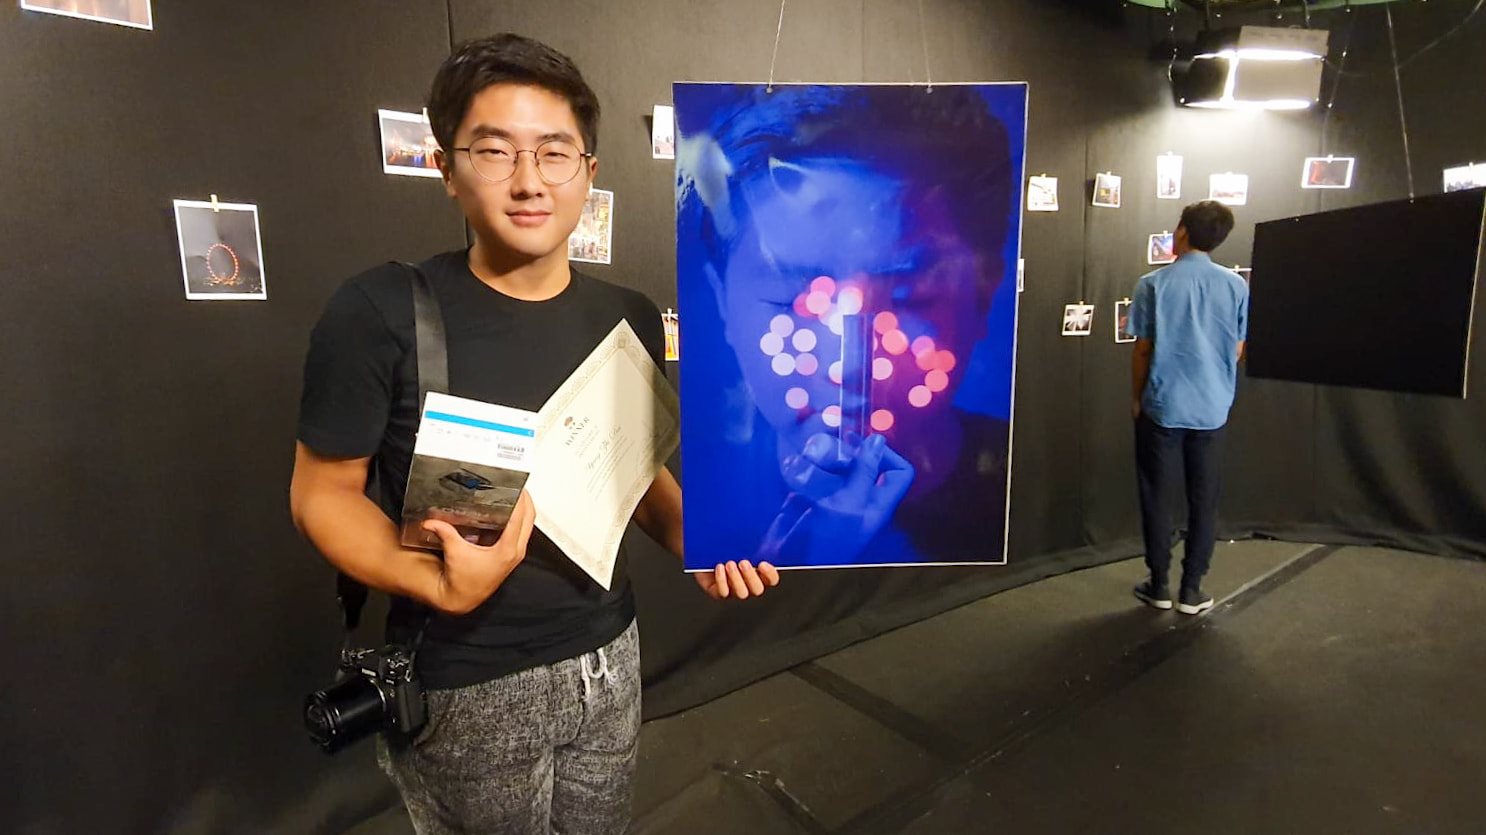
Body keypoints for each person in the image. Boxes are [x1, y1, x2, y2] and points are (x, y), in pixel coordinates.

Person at [289, 34, 779, 835]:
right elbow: (321, 494)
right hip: (467, 681)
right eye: (494, 150)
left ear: (589, 169)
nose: (528, 181)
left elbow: (633, 470)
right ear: (447, 169)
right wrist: (436, 585)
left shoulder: (628, 313)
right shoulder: (380, 311)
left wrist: (702, 536)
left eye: (555, 153)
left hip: (608, 658)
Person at [674, 84, 1021, 568]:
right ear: (721, 301)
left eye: (910, 297)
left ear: (983, 295)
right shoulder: (690, 498)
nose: (852, 365)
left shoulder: (1025, 486)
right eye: (792, 300)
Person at [1126, 200, 1247, 615]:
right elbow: (1237, 348)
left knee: (1157, 497)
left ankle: (1158, 585)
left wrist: (1136, 398)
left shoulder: (1152, 285)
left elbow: (1142, 350)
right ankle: (1192, 589)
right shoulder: (1236, 287)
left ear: (1181, 232)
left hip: (1163, 405)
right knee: (1204, 499)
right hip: (1213, 408)